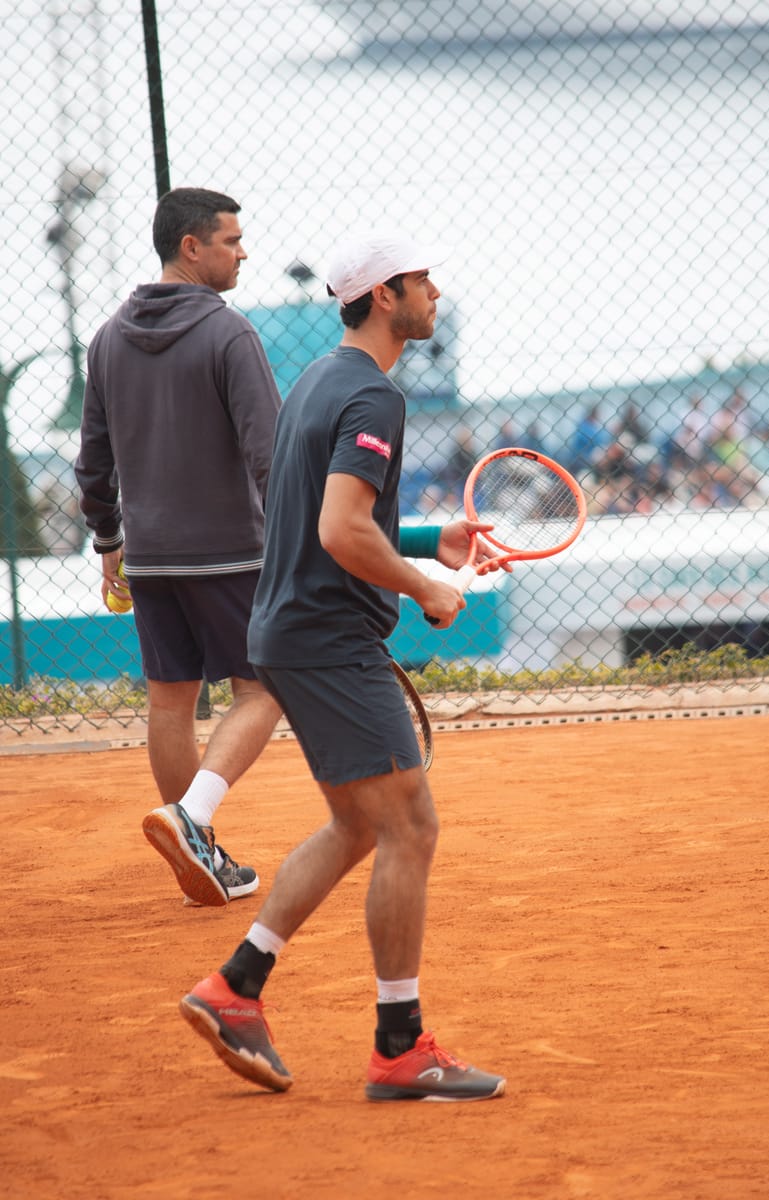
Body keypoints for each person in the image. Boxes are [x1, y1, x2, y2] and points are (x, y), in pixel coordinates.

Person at [179, 230, 507, 1102]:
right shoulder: (373, 396)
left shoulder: (320, 382)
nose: (435, 293)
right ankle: (400, 1047)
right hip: (328, 639)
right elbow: (338, 530)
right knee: (411, 828)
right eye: (422, 282)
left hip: (290, 633)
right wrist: (427, 589)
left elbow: (322, 516)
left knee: (357, 826)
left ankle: (236, 986)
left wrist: (429, 540)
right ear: (385, 296)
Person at [75, 187, 283, 907]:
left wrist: (109, 537)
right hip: (231, 553)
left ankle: (201, 858)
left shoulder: (107, 338)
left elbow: (93, 459)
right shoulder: (230, 333)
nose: (243, 252)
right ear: (191, 247)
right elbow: (270, 454)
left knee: (170, 703)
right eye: (231, 240)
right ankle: (192, 820)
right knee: (265, 689)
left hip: (150, 555)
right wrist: (298, 539)